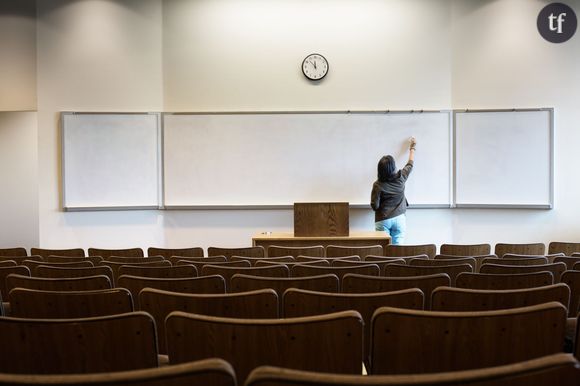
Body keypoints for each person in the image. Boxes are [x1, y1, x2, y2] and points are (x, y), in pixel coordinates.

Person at [370, 137, 416, 245]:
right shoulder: (401, 177)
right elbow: (410, 165)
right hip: (400, 218)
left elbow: (374, 206)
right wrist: (412, 148)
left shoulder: (377, 185)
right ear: (393, 167)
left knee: (384, 251)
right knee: (397, 252)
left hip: (383, 219)